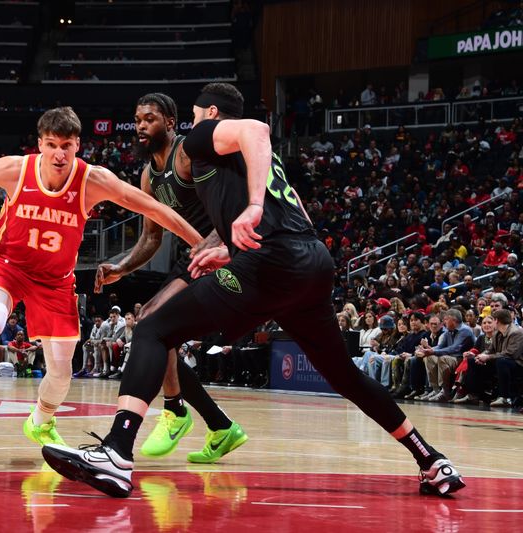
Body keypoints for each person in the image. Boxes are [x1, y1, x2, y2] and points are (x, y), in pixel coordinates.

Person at [41, 83, 464, 498]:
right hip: (310, 264)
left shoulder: (207, 136)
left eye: (192, 115)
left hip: (269, 268)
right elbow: (284, 213)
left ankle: (117, 452)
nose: (190, 124)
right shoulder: (259, 163)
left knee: (153, 328)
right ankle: (430, 459)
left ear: (209, 114)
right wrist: (227, 246)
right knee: (344, 375)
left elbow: (256, 131)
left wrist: (255, 208)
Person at [0, 106, 202, 447]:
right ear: (40, 144)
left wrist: (202, 244)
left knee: (62, 370)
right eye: (51, 144)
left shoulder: (94, 180)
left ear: (78, 145)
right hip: (8, 266)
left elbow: (155, 209)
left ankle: (41, 422)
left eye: (67, 145)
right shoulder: (14, 169)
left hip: (55, 281)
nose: (59, 154)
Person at [95, 92, 247, 460]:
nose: (141, 125)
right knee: (157, 333)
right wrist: (122, 267)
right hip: (193, 258)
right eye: (137, 119)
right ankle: (219, 426)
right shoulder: (149, 174)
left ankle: (176, 410)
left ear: (170, 121)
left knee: (152, 325)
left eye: (149, 118)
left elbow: (233, 204)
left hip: (221, 251)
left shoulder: (187, 153)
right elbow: (151, 236)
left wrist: (215, 246)